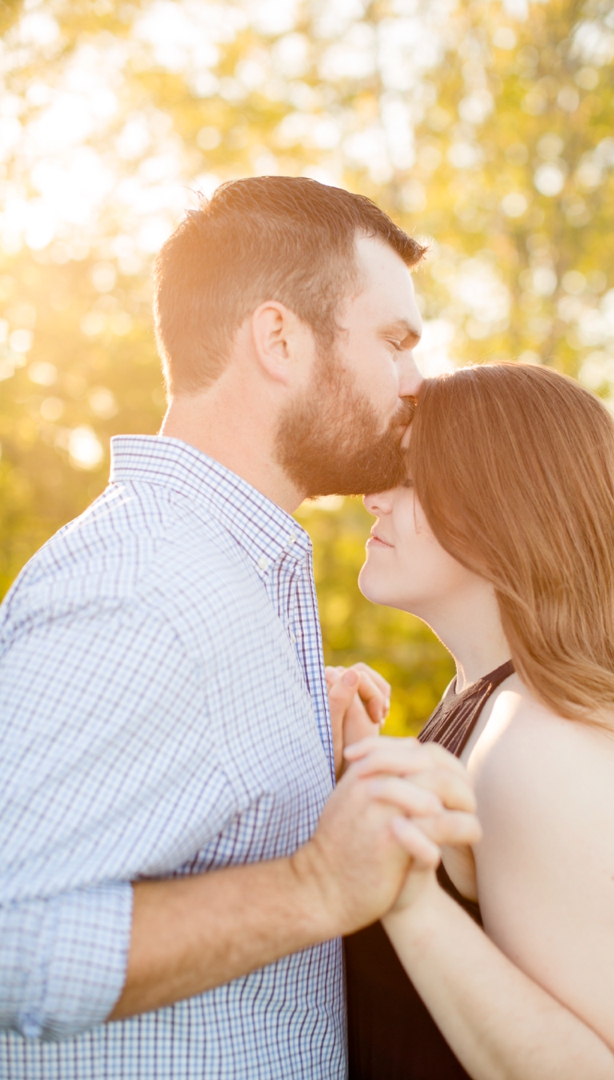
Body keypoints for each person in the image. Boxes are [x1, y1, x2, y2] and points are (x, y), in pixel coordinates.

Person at [0, 176, 477, 1077]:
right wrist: (314, 887)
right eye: (395, 341)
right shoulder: (139, 588)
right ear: (278, 338)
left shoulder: (220, 575)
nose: (416, 381)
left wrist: (305, 756)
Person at [339, 362, 614, 1080]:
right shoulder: (489, 705)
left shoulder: (551, 745)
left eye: (414, 477)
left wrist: (408, 895)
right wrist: (358, 763)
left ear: (507, 509)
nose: (373, 497)